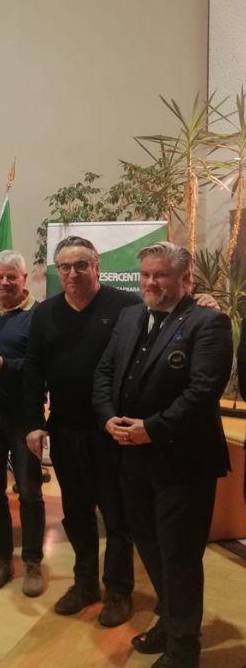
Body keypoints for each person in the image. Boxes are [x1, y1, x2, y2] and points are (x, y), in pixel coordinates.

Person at [93, 241, 231, 668]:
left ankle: (185, 647)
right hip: (132, 458)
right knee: (149, 546)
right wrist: (108, 418)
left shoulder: (209, 322)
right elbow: (105, 372)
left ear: (185, 278)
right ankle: (171, 621)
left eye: (161, 275)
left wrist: (151, 429)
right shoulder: (130, 316)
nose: (150, 282)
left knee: (180, 556)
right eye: (146, 275)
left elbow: (202, 393)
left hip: (182, 463)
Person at [23, 235, 138, 627]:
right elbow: (33, 370)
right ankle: (86, 583)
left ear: (96, 266)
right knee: (76, 513)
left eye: (80, 265)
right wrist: (34, 423)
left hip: (113, 432)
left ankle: (119, 590)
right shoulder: (45, 313)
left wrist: (202, 301)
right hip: (66, 431)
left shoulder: (127, 307)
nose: (72, 273)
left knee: (117, 515)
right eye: (65, 267)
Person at [0, 250, 46, 596]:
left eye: (11, 277)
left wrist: (6, 366)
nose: (4, 283)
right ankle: (0, 559)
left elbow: (42, 367)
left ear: (24, 279)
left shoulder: (39, 315)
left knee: (29, 492)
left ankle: (32, 562)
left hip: (24, 417)